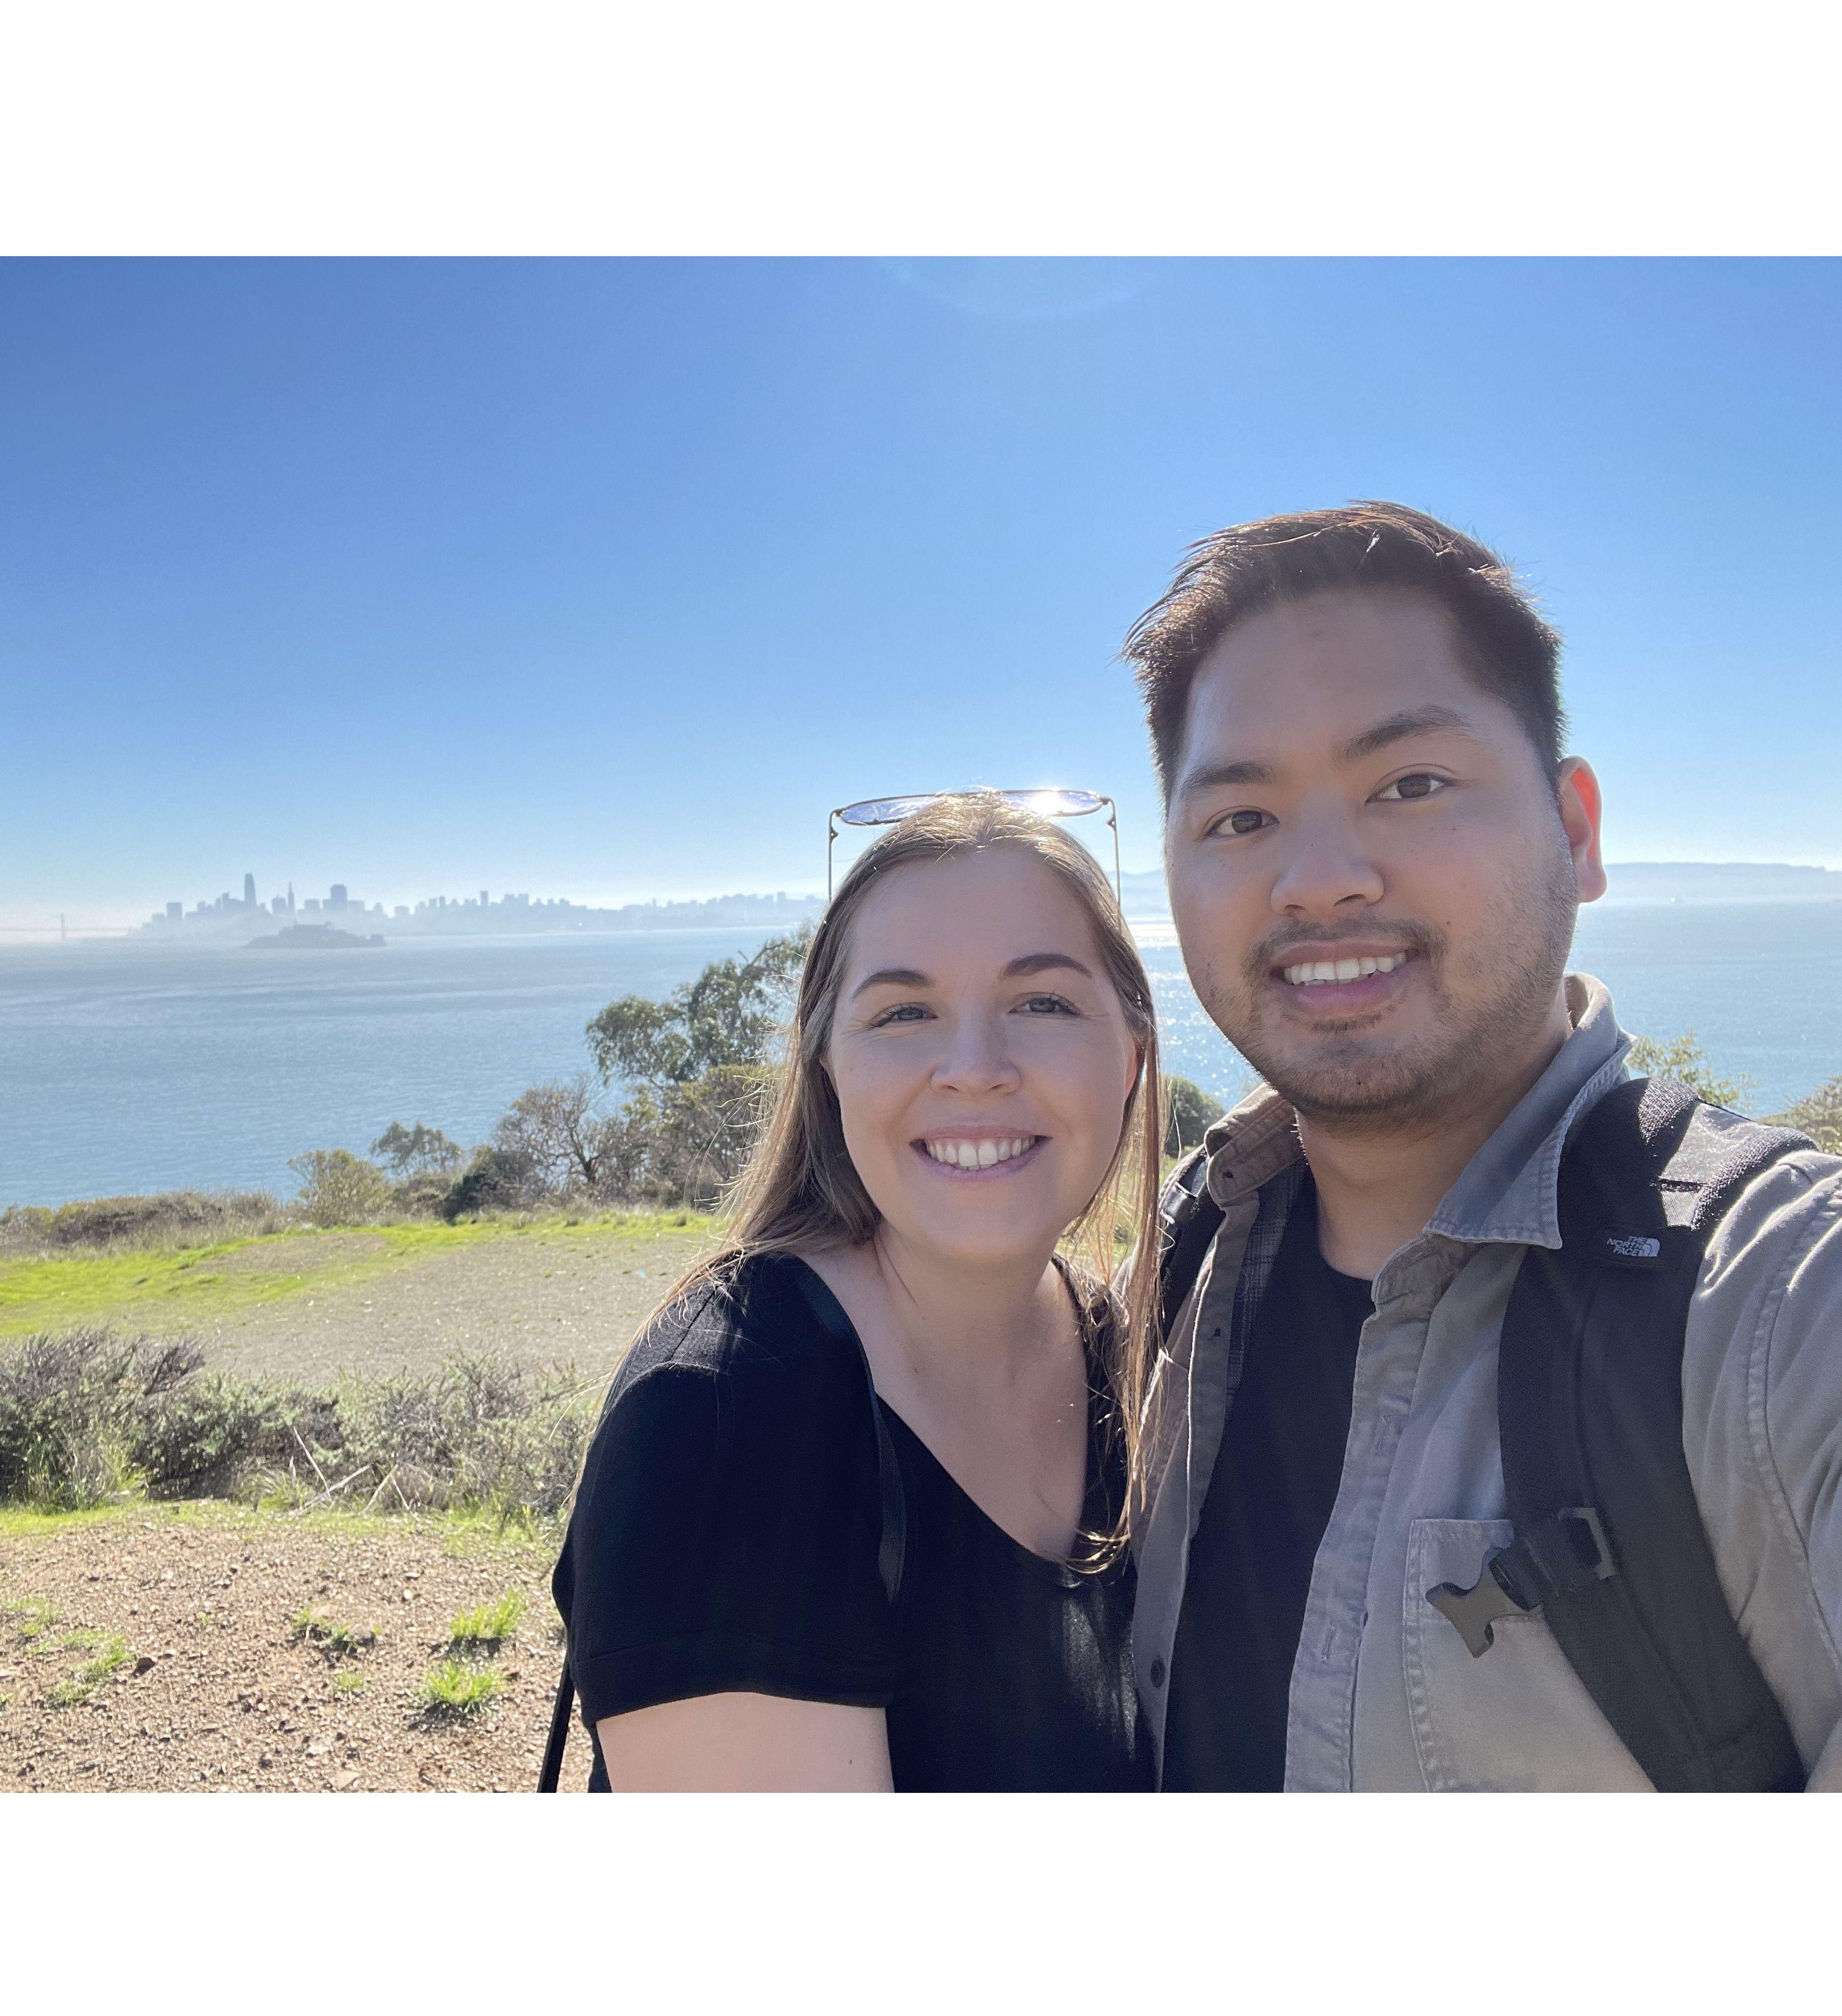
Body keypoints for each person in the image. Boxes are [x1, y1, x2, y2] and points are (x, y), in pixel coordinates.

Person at [1121, 501, 1842, 1790]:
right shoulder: (1184, 1257)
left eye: (1410, 785)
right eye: (1239, 818)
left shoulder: (1779, 1303)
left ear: (1577, 831)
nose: (1319, 879)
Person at [551, 793, 1162, 1790]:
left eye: (1044, 1002)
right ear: (828, 1066)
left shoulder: (1134, 1354)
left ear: (1131, 1051)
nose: (974, 1070)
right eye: (903, 1012)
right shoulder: (724, 1423)